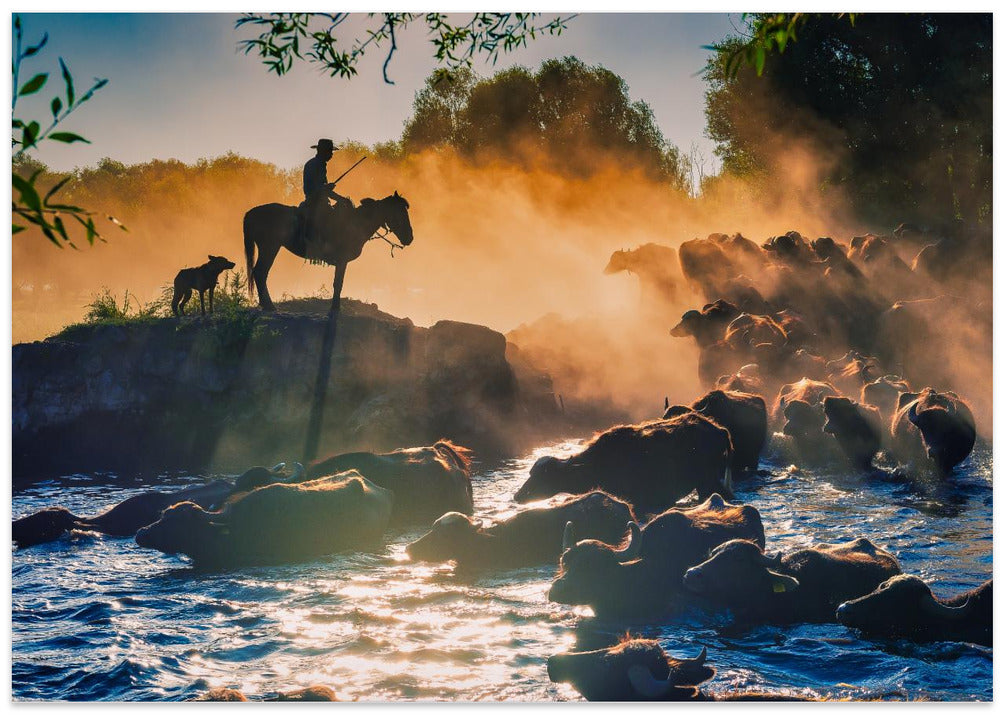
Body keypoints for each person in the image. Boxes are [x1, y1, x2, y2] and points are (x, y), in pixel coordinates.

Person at [299, 138, 352, 250]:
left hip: (318, 201)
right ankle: (324, 248)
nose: (331, 155)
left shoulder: (318, 164)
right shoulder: (315, 165)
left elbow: (323, 189)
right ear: (323, 151)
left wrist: (339, 197)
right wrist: (327, 188)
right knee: (333, 221)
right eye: (330, 152)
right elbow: (312, 188)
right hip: (315, 202)